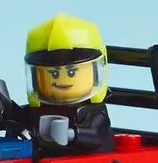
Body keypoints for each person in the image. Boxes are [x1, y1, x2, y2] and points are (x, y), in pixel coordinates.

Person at [21, 12, 114, 154]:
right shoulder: (37, 112)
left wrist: (71, 134)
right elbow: (20, 120)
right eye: (54, 74)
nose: (61, 80)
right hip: (46, 162)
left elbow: (95, 134)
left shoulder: (94, 113)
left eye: (72, 72)